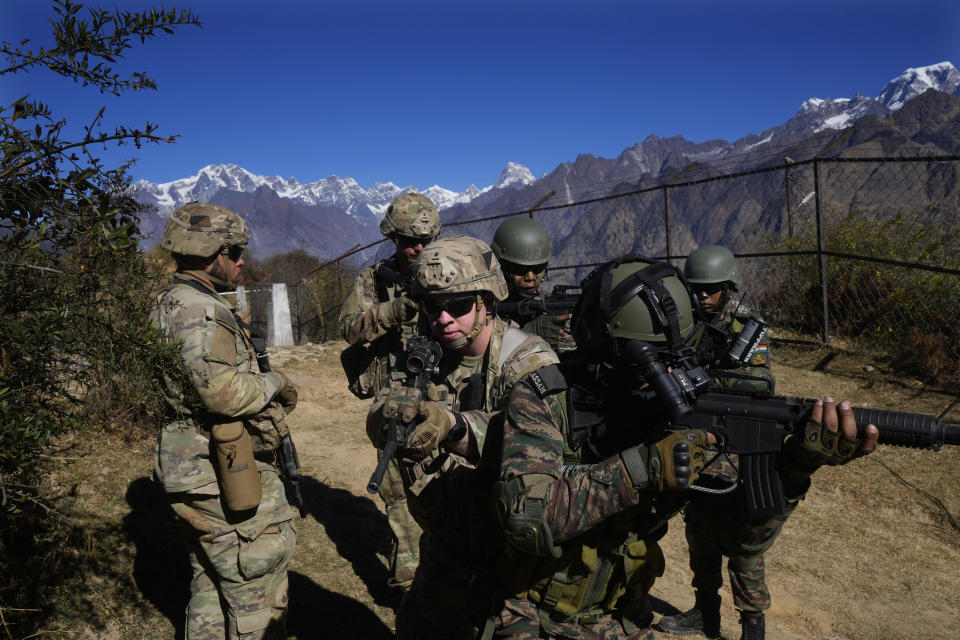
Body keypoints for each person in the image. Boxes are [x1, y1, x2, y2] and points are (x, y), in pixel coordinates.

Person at [491, 256, 878, 640]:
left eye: (676, 358)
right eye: (651, 364)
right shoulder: (546, 396)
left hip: (625, 619)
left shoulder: (678, 415)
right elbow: (526, 521)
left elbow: (737, 540)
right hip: (532, 616)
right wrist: (641, 467)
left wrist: (795, 469)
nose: (670, 377)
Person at [364, 235, 561, 639]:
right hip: (446, 547)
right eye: (432, 307)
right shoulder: (426, 353)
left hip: (514, 561)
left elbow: (535, 448)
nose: (443, 319)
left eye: (457, 306)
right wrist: (387, 420)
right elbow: (384, 407)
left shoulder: (528, 360)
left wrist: (451, 426)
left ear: (487, 303)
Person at [152, 202, 298, 640]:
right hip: (222, 471)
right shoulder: (202, 312)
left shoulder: (169, 300)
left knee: (209, 583)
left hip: (188, 469)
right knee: (255, 586)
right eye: (234, 252)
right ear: (210, 253)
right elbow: (220, 392)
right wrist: (274, 382)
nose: (241, 262)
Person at [656, 245, 777, 639]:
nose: (703, 297)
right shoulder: (682, 328)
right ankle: (705, 612)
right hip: (696, 442)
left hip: (737, 446)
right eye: (697, 290)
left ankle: (752, 626)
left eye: (711, 290)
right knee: (699, 532)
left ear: (728, 288)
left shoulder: (746, 331)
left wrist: (705, 372)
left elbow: (760, 384)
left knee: (745, 544)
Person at [338, 192, 440, 589]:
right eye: (408, 241)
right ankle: (408, 584)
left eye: (424, 241)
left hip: (443, 395)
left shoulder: (448, 270)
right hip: (392, 398)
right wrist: (395, 311)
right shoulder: (374, 279)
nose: (417, 249)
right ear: (393, 239)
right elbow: (348, 329)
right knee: (398, 491)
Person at [491, 216, 576, 352]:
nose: (530, 277)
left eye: (537, 269)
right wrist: (529, 331)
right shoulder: (483, 306)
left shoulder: (547, 306)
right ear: (501, 267)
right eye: (520, 270)